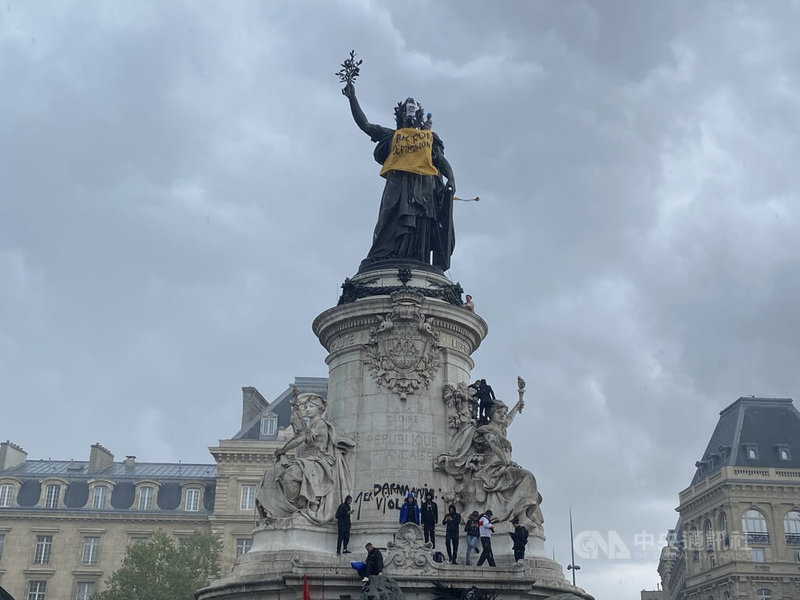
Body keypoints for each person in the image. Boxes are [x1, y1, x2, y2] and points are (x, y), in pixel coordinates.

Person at [342, 82, 457, 272]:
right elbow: (366, 125)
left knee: (421, 221)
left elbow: (441, 161)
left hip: (423, 186)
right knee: (389, 217)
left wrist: (451, 178)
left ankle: (417, 257)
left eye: (413, 113)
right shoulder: (393, 135)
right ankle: (384, 255)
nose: (409, 116)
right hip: (398, 184)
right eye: (406, 113)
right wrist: (352, 98)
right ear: (400, 116)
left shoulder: (428, 138)